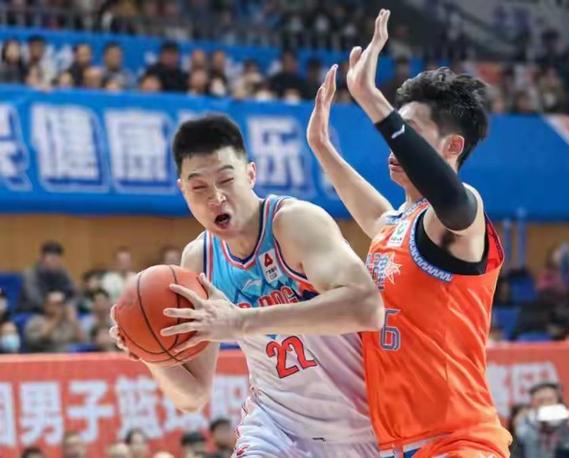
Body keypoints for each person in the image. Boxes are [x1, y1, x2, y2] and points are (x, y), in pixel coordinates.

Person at [110, 114, 383, 457]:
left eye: (226, 180)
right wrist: (149, 351)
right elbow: (193, 396)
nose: (216, 197)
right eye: (199, 187)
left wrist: (242, 321)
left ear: (251, 174)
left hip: (362, 427)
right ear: (183, 190)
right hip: (275, 428)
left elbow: (367, 308)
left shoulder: (294, 223)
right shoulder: (200, 260)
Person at [306, 9, 511, 457]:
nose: (392, 144)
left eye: (407, 133)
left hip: (459, 442)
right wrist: (322, 148)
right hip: (398, 445)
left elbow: (450, 197)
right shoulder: (397, 225)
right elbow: (374, 213)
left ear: (452, 146)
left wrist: (369, 97)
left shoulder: (461, 213)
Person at [514, 383, 569, 458]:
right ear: (533, 404)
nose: (546, 404)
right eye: (541, 401)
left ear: (558, 401)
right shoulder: (523, 431)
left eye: (550, 400)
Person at [18, 241, 77, 313]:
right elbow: (34, 299)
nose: (54, 262)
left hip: (58, 309)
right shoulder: (30, 273)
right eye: (52, 259)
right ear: (41, 258)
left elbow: (74, 292)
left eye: (57, 259)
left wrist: (66, 302)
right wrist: (51, 304)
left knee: (71, 310)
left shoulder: (62, 271)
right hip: (33, 310)